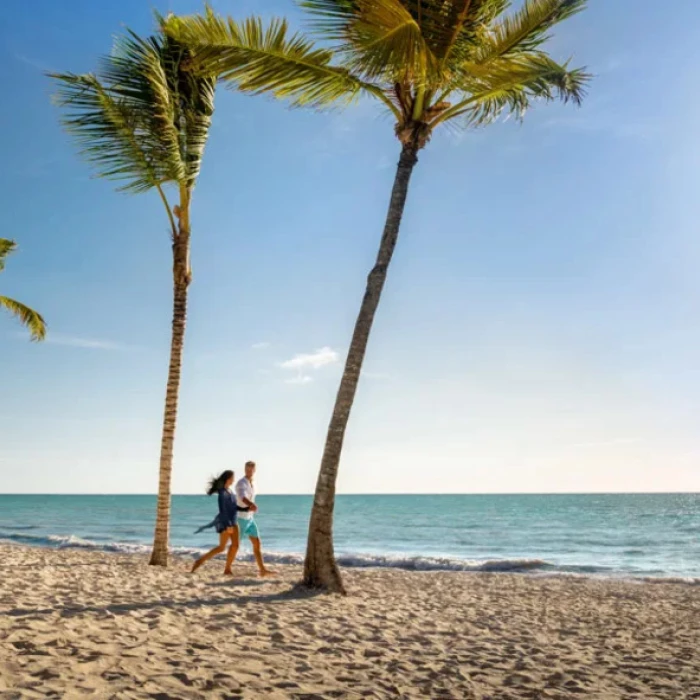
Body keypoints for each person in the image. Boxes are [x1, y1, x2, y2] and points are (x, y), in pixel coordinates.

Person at [191, 470, 245, 576]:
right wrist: (228, 525)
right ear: (229, 478)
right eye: (233, 477)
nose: (234, 479)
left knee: (235, 545)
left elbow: (233, 507)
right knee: (221, 547)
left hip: (234, 521)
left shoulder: (230, 491)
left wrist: (246, 508)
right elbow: (222, 510)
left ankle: (227, 569)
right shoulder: (222, 492)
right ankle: (199, 561)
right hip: (226, 523)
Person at [235, 461, 274, 577]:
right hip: (240, 519)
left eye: (252, 469)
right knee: (235, 546)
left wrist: (252, 507)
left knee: (257, 543)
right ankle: (227, 568)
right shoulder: (241, 483)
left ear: (254, 470)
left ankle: (262, 570)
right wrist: (251, 504)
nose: (249, 471)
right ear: (244, 469)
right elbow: (242, 497)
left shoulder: (254, 483)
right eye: (247, 469)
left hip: (250, 518)